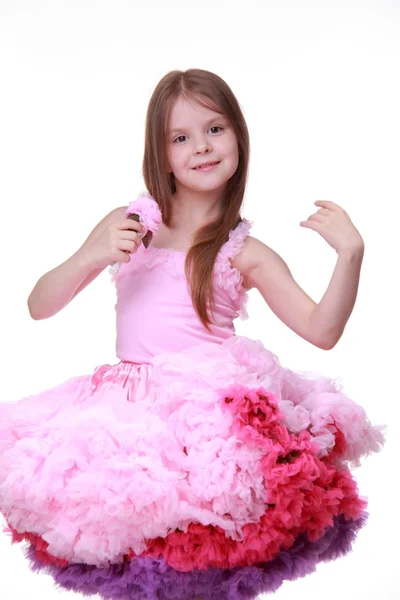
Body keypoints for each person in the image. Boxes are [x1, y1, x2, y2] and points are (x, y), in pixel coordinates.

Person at [0, 68, 385, 600]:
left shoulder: (243, 251)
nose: (201, 147)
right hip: (126, 422)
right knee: (138, 561)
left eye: (215, 129)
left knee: (201, 562)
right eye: (180, 138)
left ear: (238, 138)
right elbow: (39, 305)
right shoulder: (131, 224)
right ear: (159, 153)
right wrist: (90, 255)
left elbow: (322, 331)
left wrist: (350, 256)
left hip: (206, 427)